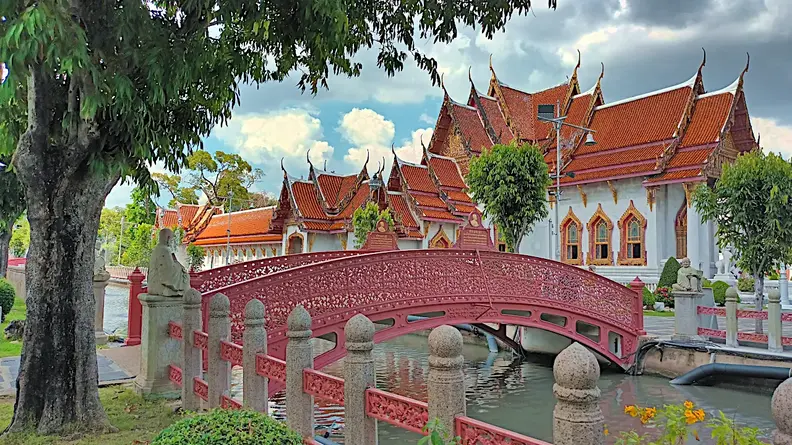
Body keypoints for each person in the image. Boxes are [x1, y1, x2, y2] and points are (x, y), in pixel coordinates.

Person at [147, 229, 190, 297]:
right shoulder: (165, 250)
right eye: (172, 240)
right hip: (159, 287)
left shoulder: (157, 249)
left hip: (152, 285)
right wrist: (179, 267)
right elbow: (168, 271)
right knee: (185, 275)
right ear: (168, 238)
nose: (172, 242)